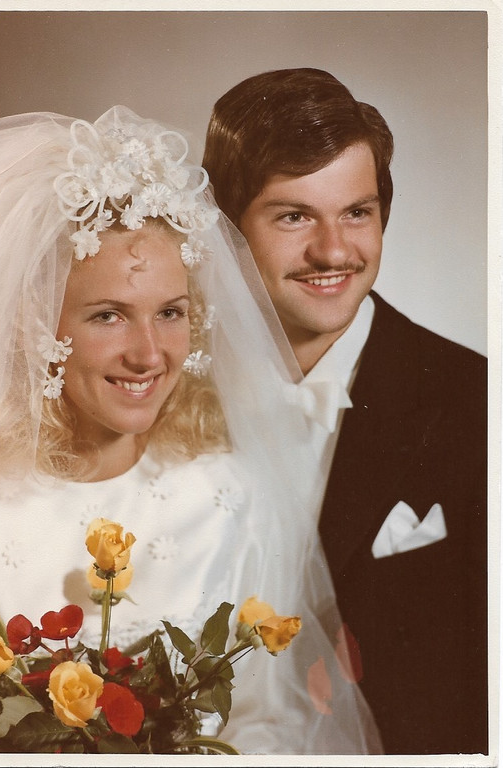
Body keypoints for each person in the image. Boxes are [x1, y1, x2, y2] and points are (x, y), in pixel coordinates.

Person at [0, 106, 381, 755]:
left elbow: (271, 722)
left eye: (171, 313)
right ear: (36, 325)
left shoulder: (233, 498)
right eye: (108, 315)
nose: (149, 354)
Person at [203, 67, 488, 755]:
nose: (333, 251)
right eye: (294, 216)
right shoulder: (158, 389)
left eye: (356, 212)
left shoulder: (477, 403)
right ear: (225, 226)